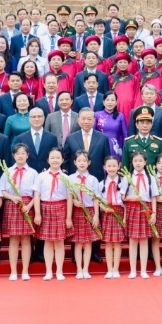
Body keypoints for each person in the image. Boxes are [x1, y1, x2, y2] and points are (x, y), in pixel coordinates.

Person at [0, 144, 38, 281]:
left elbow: (36, 194)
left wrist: (29, 205)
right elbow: (2, 190)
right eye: (17, 153)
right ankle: (14, 271)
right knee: (14, 240)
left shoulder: (33, 173)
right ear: (13, 155)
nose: (20, 155)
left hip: (27, 205)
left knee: (26, 240)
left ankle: (25, 270)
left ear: (27, 155)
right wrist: (12, 197)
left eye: (23, 153)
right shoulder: (7, 171)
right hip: (12, 204)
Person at [34, 147, 70, 281]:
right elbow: (36, 195)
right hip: (45, 208)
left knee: (59, 242)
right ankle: (49, 271)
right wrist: (38, 213)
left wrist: (68, 217)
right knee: (48, 242)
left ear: (62, 160)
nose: (55, 160)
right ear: (48, 160)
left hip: (60, 208)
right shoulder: (41, 176)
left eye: (58, 157)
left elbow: (69, 198)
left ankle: (59, 271)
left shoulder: (66, 177)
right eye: (52, 157)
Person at [122, 151, 157, 279]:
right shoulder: (127, 177)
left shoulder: (150, 178)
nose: (138, 163)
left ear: (145, 162)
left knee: (143, 240)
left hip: (146, 209)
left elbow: (154, 197)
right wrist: (133, 197)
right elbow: (123, 197)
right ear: (131, 162)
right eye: (135, 161)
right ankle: (133, 270)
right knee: (132, 241)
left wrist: (154, 213)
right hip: (132, 209)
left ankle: (143, 270)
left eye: (140, 161)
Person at [67, 151, 100, 280]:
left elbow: (96, 198)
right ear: (74, 162)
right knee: (78, 242)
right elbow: (69, 197)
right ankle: (79, 269)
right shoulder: (70, 178)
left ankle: (86, 269)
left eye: (84, 161)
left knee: (88, 243)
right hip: (77, 212)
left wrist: (96, 215)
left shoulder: (93, 179)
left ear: (89, 163)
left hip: (90, 211)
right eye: (79, 160)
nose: (82, 163)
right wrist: (70, 213)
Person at [63, 108, 111, 179]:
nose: (86, 122)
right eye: (83, 119)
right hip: (75, 178)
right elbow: (65, 160)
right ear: (78, 120)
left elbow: (107, 160)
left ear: (94, 120)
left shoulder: (103, 138)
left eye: (89, 119)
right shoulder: (70, 138)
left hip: (96, 177)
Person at [94, 91, 128, 159]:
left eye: (112, 100)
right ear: (103, 102)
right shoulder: (97, 115)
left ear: (116, 102)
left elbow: (125, 135)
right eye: (107, 100)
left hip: (116, 146)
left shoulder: (120, 116)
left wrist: (126, 151)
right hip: (101, 146)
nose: (110, 102)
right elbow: (93, 133)